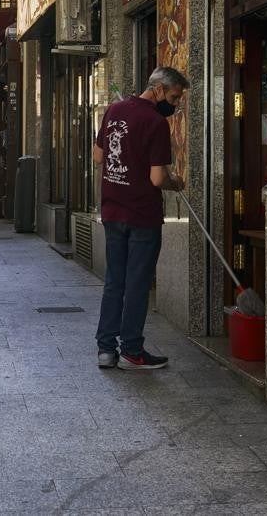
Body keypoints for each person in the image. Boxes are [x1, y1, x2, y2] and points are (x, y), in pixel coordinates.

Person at [92, 67, 188, 370]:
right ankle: (132, 349)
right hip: (142, 216)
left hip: (112, 210)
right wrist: (176, 183)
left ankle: (106, 350)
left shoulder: (114, 110)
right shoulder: (156, 123)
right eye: (173, 97)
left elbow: (98, 156)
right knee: (137, 283)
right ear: (158, 89)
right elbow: (157, 178)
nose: (174, 104)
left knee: (114, 281)